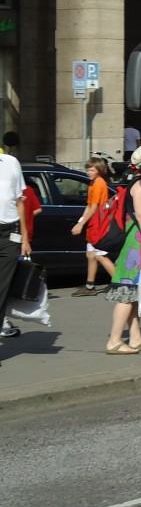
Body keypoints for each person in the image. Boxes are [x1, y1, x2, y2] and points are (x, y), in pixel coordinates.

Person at [104, 143, 141, 355]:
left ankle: (136, 338)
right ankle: (114, 340)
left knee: (134, 294)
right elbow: (140, 215)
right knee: (127, 294)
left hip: (137, 242)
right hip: (136, 244)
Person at [0, 146, 30, 365]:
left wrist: (25, 238)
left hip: (9, 235)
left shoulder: (11, 163)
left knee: (2, 290)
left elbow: (21, 201)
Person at [70, 157, 117, 296]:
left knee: (99, 256)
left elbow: (94, 206)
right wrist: (81, 221)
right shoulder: (94, 183)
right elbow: (89, 205)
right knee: (91, 255)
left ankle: (121, 283)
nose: (89, 172)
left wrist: (81, 223)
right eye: (88, 169)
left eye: (92, 170)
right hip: (94, 223)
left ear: (99, 170)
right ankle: (90, 286)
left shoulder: (98, 184)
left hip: (99, 224)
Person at [0, 180, 40, 338]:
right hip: (15, 236)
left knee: (4, 285)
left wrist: (24, 238)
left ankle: (3, 322)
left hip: (12, 236)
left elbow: (33, 208)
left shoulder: (23, 187)